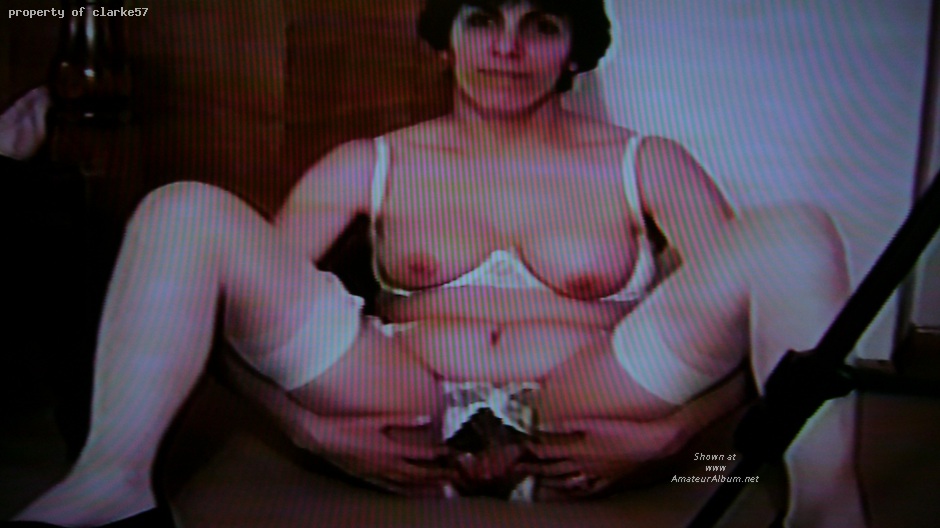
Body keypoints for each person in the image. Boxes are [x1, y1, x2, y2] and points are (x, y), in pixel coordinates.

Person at [9, 0, 866, 526]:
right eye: (483, 19)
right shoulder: (371, 161)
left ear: (574, 50)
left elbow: (745, 329)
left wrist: (675, 438)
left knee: (796, 233)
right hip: (400, 408)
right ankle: (110, 486)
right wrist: (302, 427)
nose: (507, 48)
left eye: (541, 25)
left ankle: (827, 513)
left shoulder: (646, 161)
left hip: (588, 411)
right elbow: (233, 309)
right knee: (182, 210)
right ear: (446, 41)